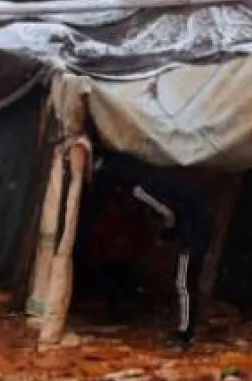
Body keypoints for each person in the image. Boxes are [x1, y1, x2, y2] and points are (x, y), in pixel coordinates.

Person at [83, 145, 212, 348]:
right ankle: (186, 328)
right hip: (198, 221)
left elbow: (167, 213)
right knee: (186, 281)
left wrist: (168, 232)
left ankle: (185, 333)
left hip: (193, 230)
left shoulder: (140, 188)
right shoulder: (152, 174)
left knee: (184, 283)